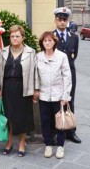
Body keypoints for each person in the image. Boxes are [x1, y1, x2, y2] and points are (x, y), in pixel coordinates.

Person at [0, 25, 35, 157]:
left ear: (23, 37)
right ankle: (9, 142)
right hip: (7, 87)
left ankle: (22, 142)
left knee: (22, 117)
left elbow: (35, 72)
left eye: (17, 36)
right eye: (12, 36)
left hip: (23, 88)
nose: (14, 38)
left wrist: (35, 90)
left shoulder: (31, 52)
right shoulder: (4, 52)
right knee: (9, 117)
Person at [34, 31, 72, 159]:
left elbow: (67, 76)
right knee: (45, 121)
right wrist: (36, 90)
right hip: (44, 95)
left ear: (54, 42)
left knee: (60, 122)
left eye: (50, 40)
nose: (47, 42)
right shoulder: (38, 56)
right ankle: (48, 145)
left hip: (59, 95)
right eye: (45, 41)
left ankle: (60, 146)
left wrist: (65, 96)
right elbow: (36, 76)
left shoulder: (62, 56)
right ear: (42, 43)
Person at [53, 7, 81, 143]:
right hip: (55, 75)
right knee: (55, 102)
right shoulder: (50, 37)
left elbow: (73, 56)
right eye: (60, 19)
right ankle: (56, 130)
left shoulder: (74, 37)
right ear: (55, 20)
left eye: (65, 19)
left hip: (70, 74)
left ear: (68, 21)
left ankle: (71, 130)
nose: (62, 22)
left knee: (70, 100)